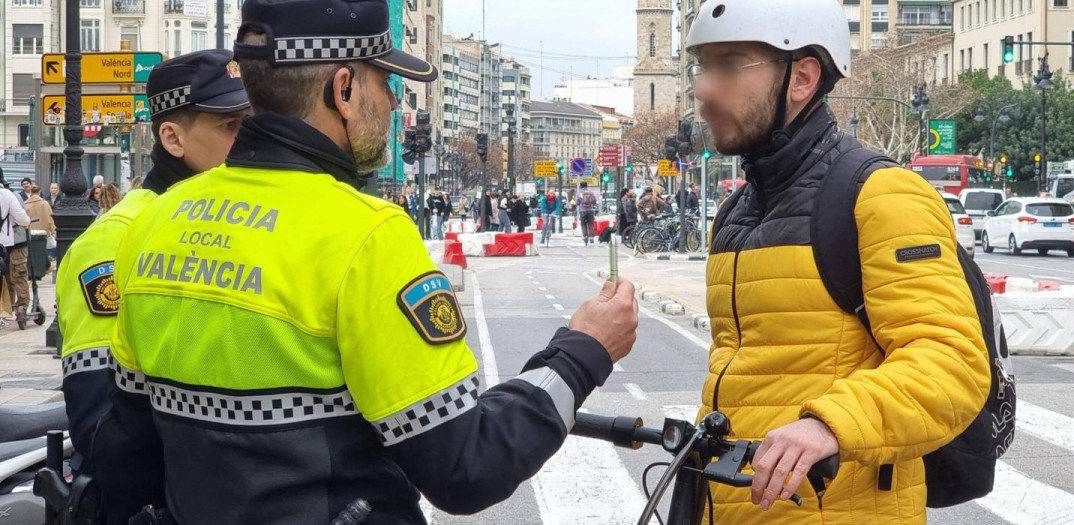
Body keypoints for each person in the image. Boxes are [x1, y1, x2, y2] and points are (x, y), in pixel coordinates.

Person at [92, 3, 639, 523]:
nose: (396, 104)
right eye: (386, 83)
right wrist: (582, 351)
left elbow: (127, 451)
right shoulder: (366, 235)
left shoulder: (153, 225)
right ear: (345, 89)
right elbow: (466, 466)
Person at [686, 1, 990, 522]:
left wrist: (829, 424)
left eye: (729, 65)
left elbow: (952, 362)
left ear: (801, 77)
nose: (704, 90)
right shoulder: (735, 213)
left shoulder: (879, 195)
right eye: (703, 66)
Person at [56, 49, 251, 491]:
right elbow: (101, 423)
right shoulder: (116, 238)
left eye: (254, 122)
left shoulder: (239, 223)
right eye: (230, 126)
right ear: (172, 138)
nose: (250, 140)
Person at [0, 182, 32, 328]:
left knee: (4, 278)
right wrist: (27, 222)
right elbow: (22, 218)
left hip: (1, 246)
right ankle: (21, 307)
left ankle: (6, 308)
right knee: (19, 275)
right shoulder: (10, 195)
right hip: (16, 242)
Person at [577, 182, 598, 246]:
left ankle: (585, 236)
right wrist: (591, 205)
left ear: (581, 186)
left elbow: (577, 202)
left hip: (582, 210)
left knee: (583, 224)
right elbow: (594, 201)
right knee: (590, 224)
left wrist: (580, 204)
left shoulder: (579, 193)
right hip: (590, 210)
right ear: (587, 186)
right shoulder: (591, 192)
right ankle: (591, 236)